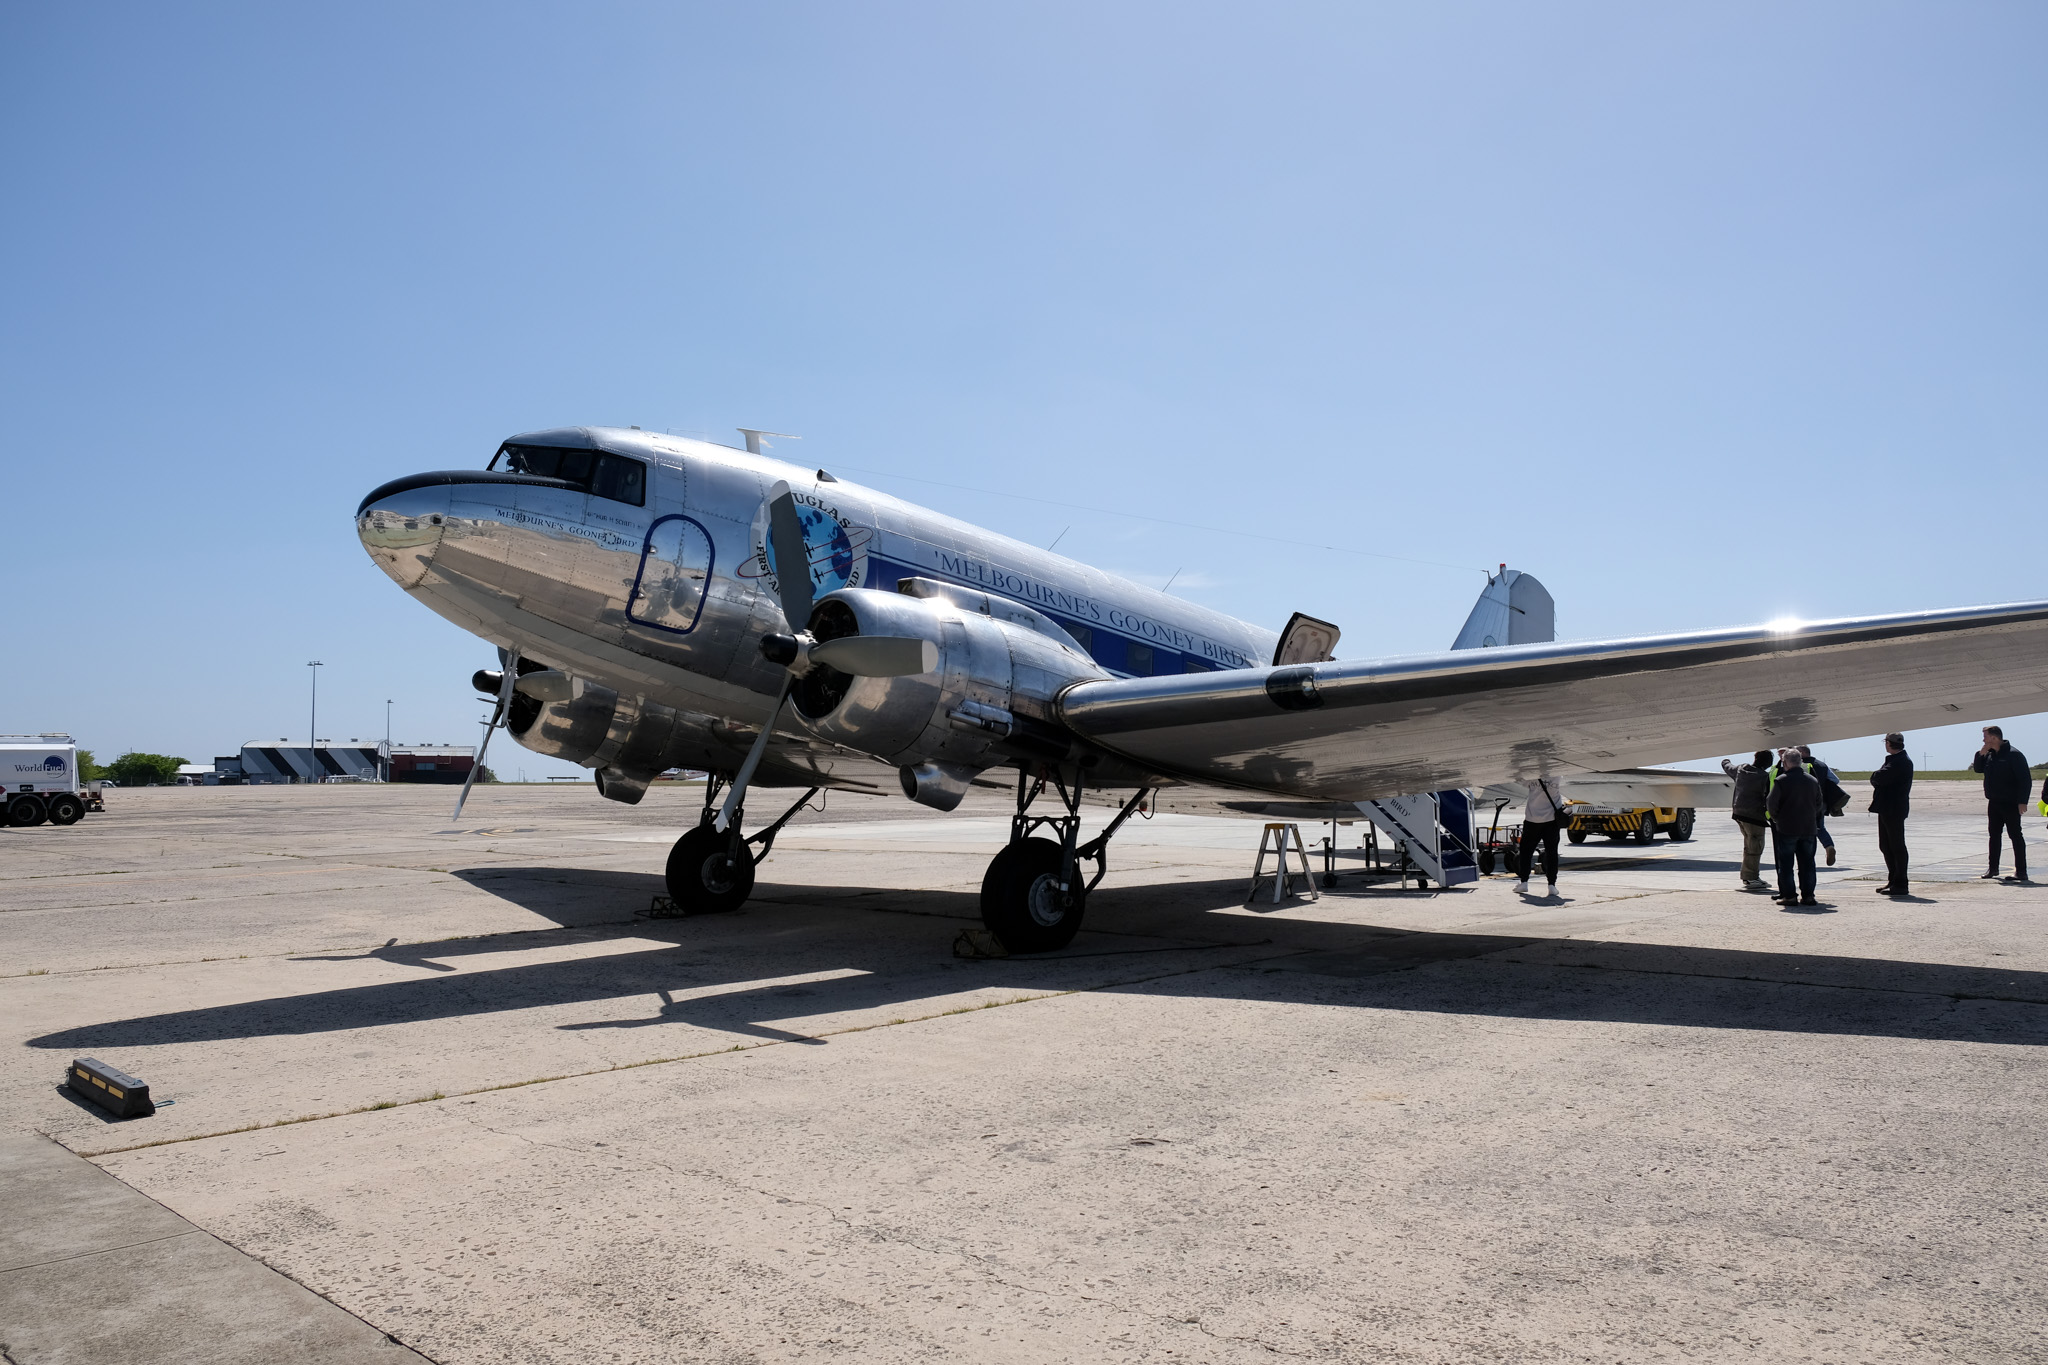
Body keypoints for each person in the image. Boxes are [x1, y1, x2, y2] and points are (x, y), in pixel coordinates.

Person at [1970, 725, 2031, 882]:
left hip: (2010, 803)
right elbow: (1978, 769)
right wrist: (1980, 754)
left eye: (1985, 736)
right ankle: (1993, 868)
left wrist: (2022, 801)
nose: (1983, 740)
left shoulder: (2014, 755)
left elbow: (2025, 780)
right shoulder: (1990, 755)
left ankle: (2021, 871)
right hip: (1994, 802)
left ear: (1994, 738)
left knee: (2015, 835)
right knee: (1994, 835)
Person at [1766, 749, 1822, 906]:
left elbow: (1771, 805)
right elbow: (1819, 804)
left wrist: (1778, 819)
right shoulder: (1812, 781)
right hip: (1808, 828)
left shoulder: (1781, 781)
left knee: (1786, 864)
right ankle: (1808, 895)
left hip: (1787, 828)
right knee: (1808, 864)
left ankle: (1790, 896)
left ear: (1785, 762)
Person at [1721, 750, 1774, 891]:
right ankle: (1751, 878)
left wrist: (1725, 759)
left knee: (1749, 844)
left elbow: (1726, 766)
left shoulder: (1740, 770)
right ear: (1767, 763)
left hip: (1738, 814)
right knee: (1755, 846)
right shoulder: (1764, 777)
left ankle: (1748, 876)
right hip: (1754, 817)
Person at [1869, 732, 1914, 895]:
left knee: (1896, 845)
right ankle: (1894, 880)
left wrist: (1875, 776)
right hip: (1888, 808)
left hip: (1893, 809)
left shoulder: (1899, 762)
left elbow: (1878, 777)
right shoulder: (1897, 760)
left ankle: (1901, 883)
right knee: (1886, 845)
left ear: (1888, 743)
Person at [1515, 774, 1567, 897]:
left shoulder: (1531, 777)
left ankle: (1524, 882)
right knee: (1552, 853)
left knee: (1526, 852)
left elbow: (1519, 779)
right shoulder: (1557, 777)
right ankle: (1552, 885)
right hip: (1551, 821)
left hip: (1532, 820)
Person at [1796, 745, 1845, 866]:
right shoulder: (1822, 765)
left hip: (1804, 802)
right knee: (1819, 827)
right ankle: (1828, 845)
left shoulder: (1800, 765)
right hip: (1821, 801)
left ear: (1802, 753)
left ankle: (1807, 857)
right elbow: (1835, 780)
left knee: (1803, 830)